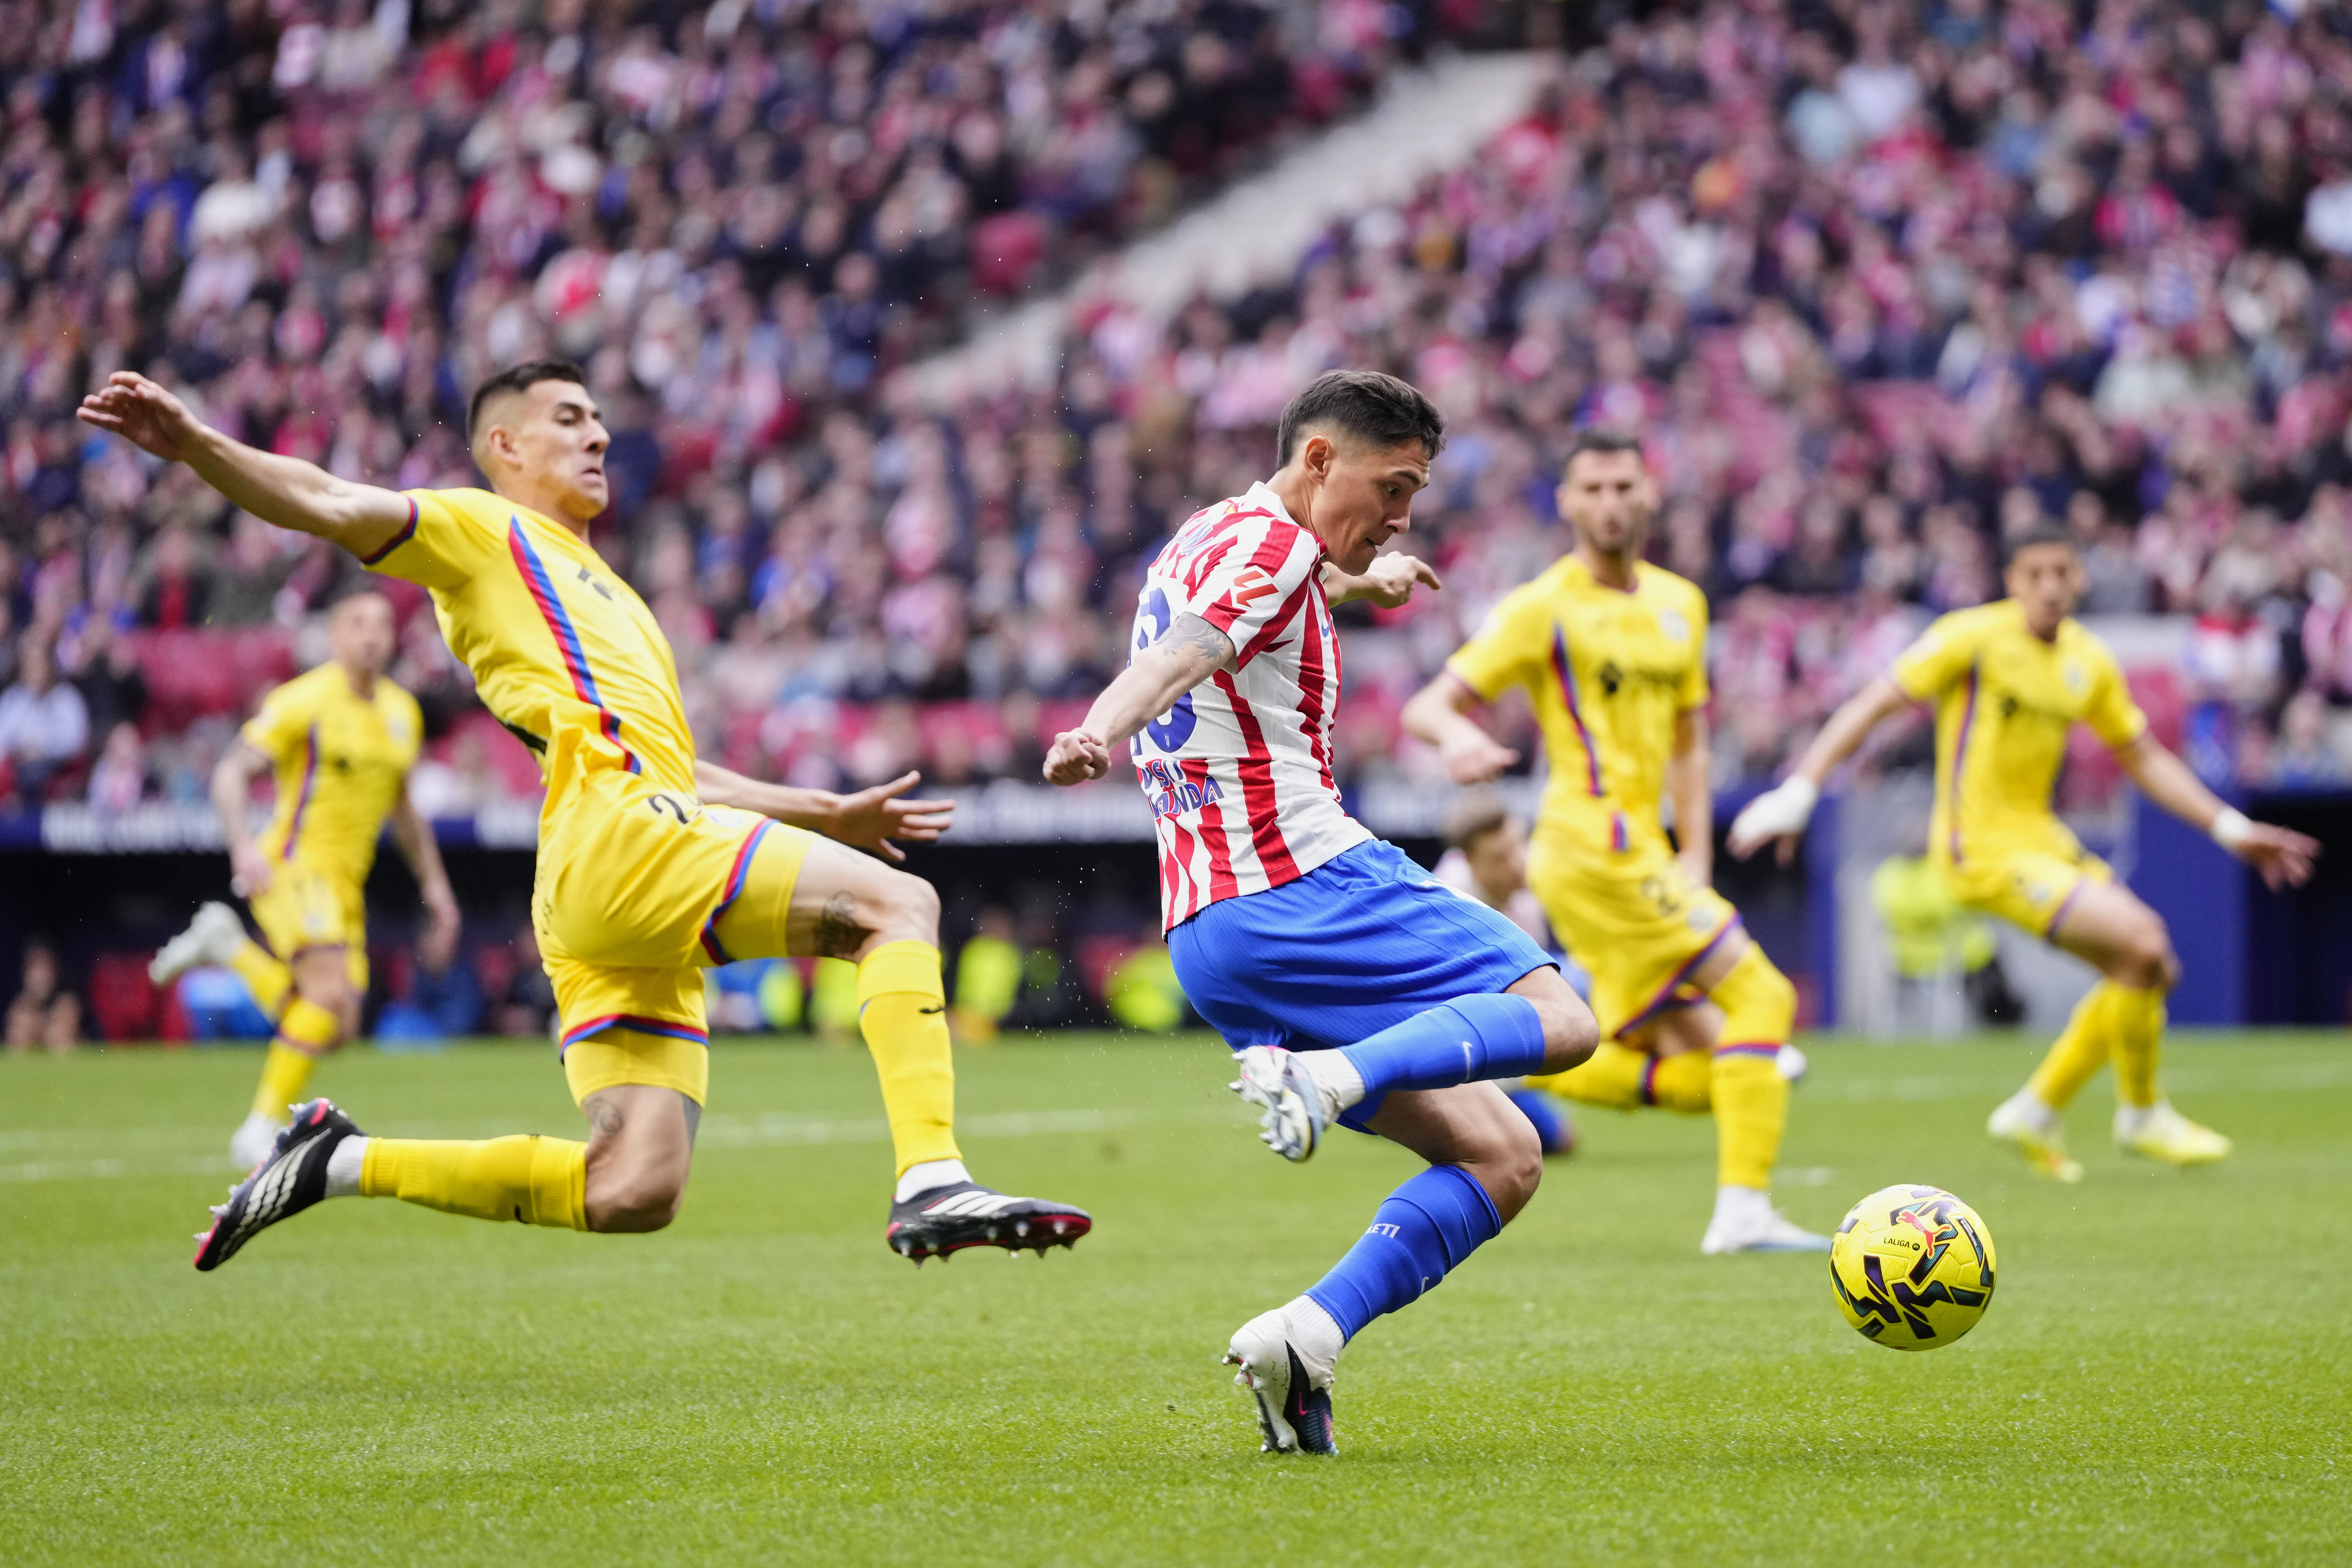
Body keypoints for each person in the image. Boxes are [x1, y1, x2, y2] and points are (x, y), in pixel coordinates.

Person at [81, 360, 1088, 1269]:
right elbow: (327, 499)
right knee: (897, 907)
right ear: (505, 447)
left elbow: (680, 765)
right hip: (621, 839)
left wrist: (821, 809)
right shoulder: (482, 527)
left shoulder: (613, 594)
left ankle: (338, 1159)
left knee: (631, 1189)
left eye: (602, 418)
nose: (599, 434)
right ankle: (931, 1178)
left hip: (603, 874)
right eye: (569, 418)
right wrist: (200, 444)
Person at [1044, 370, 1599, 1455]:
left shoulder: (1207, 539)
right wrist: (1096, 730)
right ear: (1316, 462)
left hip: (1212, 938)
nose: (1401, 514)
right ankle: (1323, 1077)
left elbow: (1243, 606)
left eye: (1413, 497)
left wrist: (1364, 580)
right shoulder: (1272, 552)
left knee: (1500, 1156)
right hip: (1301, 881)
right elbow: (1178, 660)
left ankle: (1303, 1339)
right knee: (1563, 1020)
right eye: (1389, 489)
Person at [1730, 524, 2320, 1179]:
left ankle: (2038, 1109)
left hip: (2044, 840)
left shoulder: (2087, 659)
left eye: (2060, 572)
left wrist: (2231, 828)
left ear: (2079, 579)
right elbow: (1872, 706)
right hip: (1977, 848)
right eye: (2033, 574)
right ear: (2012, 581)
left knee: (2150, 970)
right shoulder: (1973, 637)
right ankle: (2142, 1111)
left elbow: (2144, 757)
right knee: (2144, 944)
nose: (2048, 587)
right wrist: (1801, 789)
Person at [1403, 429, 1828, 1255]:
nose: (1608, 503)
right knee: (1765, 1000)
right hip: (1586, 843)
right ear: (1564, 502)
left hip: (1648, 853)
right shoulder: (1542, 606)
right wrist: (1455, 739)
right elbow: (1430, 704)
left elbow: (1690, 743)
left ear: (1650, 494)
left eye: (1622, 486)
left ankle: (1525, 1071)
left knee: (1698, 1063)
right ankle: (1743, 1211)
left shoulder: (1682, 603)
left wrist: (1695, 856)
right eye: (1591, 489)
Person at [147, 587, 459, 1167]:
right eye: (359, 623)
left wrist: (435, 886)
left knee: (334, 1023)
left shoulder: (402, 713)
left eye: (383, 625)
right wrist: (243, 846)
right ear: (337, 637)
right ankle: (259, 1126)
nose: (372, 635)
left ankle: (230, 948)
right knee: (329, 993)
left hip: (345, 886)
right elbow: (231, 774)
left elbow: (406, 812)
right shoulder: (304, 700)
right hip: (292, 866)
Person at [1430, 794, 1577, 1157]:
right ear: (1470, 862)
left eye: (1517, 847)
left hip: (1493, 1058)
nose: (1517, 864)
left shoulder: (1526, 900)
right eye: (1500, 857)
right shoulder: (1447, 908)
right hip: (1441, 1053)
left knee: (1559, 1137)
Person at [0, 634, 91, 807]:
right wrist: (21, 751)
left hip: (57, 771)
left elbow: (77, 742)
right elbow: (2, 742)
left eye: (39, 663)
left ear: (49, 666)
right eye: (29, 664)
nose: (35, 670)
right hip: (20, 771)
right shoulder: (13, 700)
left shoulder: (67, 698)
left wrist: (44, 749)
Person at [5, 938, 80, 1052]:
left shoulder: (67, 1004)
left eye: (46, 969)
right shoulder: (19, 1007)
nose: (41, 976)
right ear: (25, 973)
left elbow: (61, 1044)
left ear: (56, 973)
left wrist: (44, 1031)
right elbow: (16, 1050)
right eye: (35, 968)